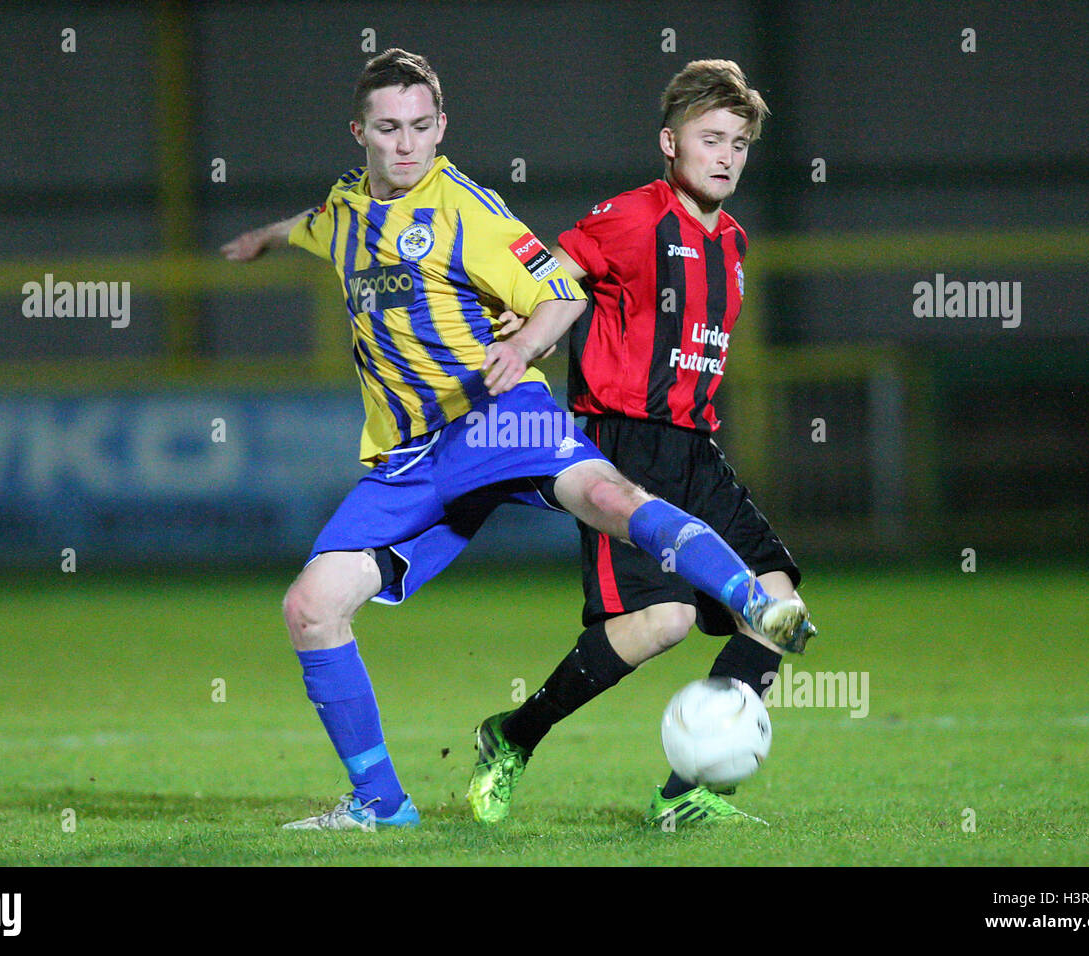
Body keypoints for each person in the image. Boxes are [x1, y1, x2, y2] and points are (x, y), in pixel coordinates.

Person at [222, 49, 808, 831]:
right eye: (390, 129)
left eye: (422, 128)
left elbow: (558, 286)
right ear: (359, 132)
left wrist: (524, 342)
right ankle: (381, 805)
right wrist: (263, 237)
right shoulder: (347, 211)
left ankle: (736, 640)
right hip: (411, 457)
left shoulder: (468, 209)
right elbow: (319, 226)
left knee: (611, 500)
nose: (406, 145)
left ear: (441, 129)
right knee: (310, 607)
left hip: (504, 416)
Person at [466, 59, 815, 829]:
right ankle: (512, 736)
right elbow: (559, 278)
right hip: (623, 451)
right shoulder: (632, 217)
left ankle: (686, 790)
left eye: (739, 143)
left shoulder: (734, 241)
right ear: (670, 142)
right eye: (710, 139)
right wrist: (528, 342)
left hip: (698, 450)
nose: (726, 156)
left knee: (777, 607)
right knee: (664, 623)